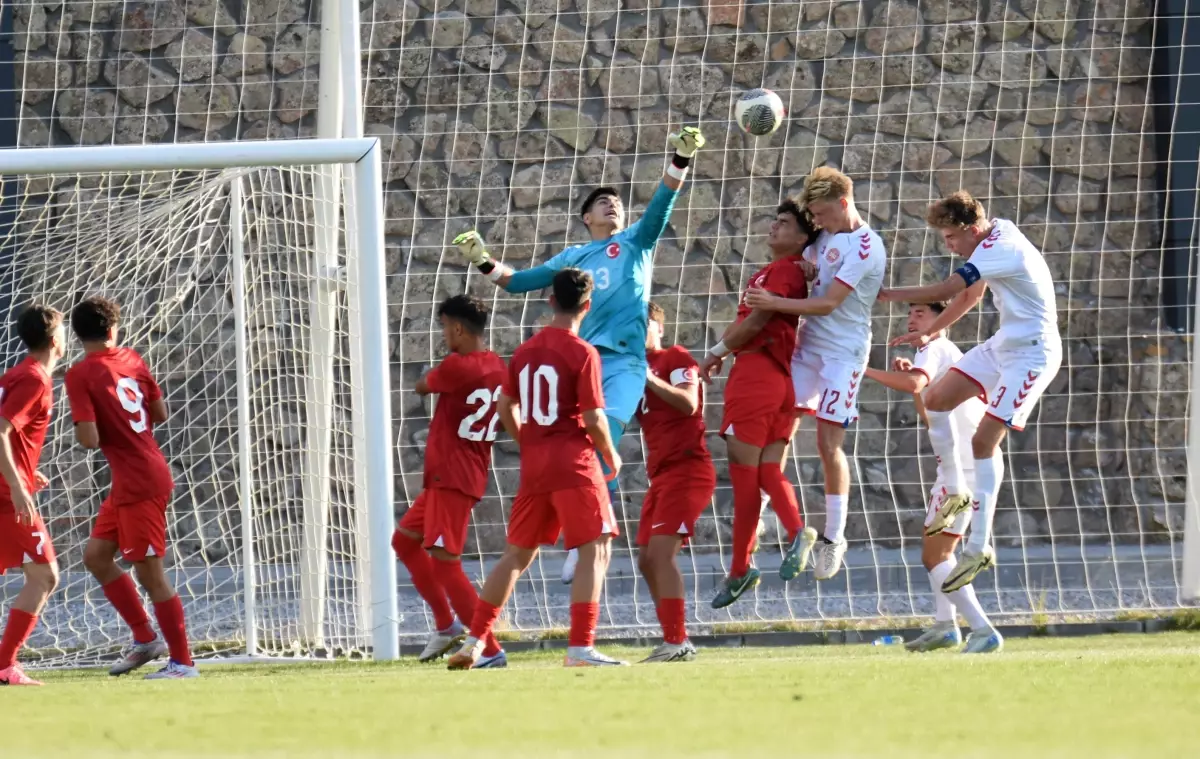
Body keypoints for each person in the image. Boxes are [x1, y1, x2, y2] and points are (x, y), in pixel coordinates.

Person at [451, 127, 705, 584]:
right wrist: (482, 260)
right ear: (587, 217)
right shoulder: (573, 257)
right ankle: (582, 532)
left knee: (601, 437)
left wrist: (681, 159)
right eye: (602, 202)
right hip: (583, 361)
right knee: (577, 448)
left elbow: (662, 203)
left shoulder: (636, 242)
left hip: (626, 364)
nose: (612, 204)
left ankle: (586, 536)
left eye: (616, 201)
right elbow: (518, 282)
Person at [880, 191, 1061, 592]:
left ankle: (979, 546)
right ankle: (957, 490)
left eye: (950, 237)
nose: (949, 246)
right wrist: (929, 330)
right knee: (935, 399)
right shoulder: (995, 235)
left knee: (983, 441)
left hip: (1032, 355)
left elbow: (949, 286)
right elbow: (970, 295)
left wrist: (889, 294)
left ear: (972, 229)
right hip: (1003, 345)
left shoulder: (1001, 247)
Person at [447, 269, 624, 669]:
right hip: (574, 464)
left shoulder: (525, 351)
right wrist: (610, 454)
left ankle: (475, 642)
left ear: (550, 301)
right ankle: (580, 648)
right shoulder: (583, 352)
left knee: (515, 555)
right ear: (587, 306)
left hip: (536, 465)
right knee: (595, 548)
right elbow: (593, 417)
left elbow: (505, 405)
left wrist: (527, 440)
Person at [744, 167, 888, 581]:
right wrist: (805, 272)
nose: (818, 222)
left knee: (828, 444)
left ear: (844, 203)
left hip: (845, 354)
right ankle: (764, 512)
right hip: (808, 346)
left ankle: (833, 538)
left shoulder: (866, 247)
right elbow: (807, 264)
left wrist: (773, 302)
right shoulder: (823, 235)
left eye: (823, 213)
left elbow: (828, 304)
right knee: (780, 425)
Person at [65, 296, 196, 679]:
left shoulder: (79, 375)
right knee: (96, 557)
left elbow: (89, 440)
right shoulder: (133, 359)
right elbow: (160, 414)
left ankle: (183, 663)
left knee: (151, 576)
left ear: (78, 335)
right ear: (113, 329)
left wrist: (90, 418)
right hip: (134, 477)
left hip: (140, 482)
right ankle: (145, 638)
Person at [863, 302, 1002, 654]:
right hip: (964, 467)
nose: (911, 319)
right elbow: (928, 412)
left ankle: (983, 630)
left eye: (921, 313)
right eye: (909, 314)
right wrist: (916, 388)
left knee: (935, 556)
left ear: (942, 320)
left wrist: (862, 369)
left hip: (963, 471)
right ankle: (945, 626)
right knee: (941, 553)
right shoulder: (942, 354)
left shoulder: (935, 348)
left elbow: (913, 381)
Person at [700, 200, 817, 608]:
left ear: (802, 238)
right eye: (775, 220)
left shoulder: (783, 270)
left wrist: (715, 352)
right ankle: (752, 560)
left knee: (745, 477)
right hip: (781, 381)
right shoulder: (788, 270)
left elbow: (756, 320)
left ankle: (769, 548)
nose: (773, 226)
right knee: (765, 471)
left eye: (784, 223)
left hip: (756, 376)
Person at [391, 295, 507, 668]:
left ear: (457, 328)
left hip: (451, 475)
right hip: (463, 472)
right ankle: (445, 625)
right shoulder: (497, 366)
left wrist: (431, 376)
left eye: (443, 327)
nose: (443, 334)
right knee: (404, 541)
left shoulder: (458, 366)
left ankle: (489, 650)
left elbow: (422, 386)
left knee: (446, 563)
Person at [635, 302, 714, 662]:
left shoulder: (676, 357)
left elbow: (689, 403)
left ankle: (677, 642)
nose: (640, 330)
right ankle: (675, 639)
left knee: (661, 555)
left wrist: (648, 379)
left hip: (688, 469)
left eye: (646, 323)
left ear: (660, 328)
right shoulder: (631, 367)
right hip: (660, 474)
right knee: (646, 560)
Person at [0, 305, 64, 686]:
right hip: (5, 497)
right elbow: (0, 430)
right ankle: (4, 665)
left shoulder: (16, 374)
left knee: (41, 574)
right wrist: (15, 484)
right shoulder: (35, 380)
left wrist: (23, 470)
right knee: (44, 575)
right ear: (55, 341)